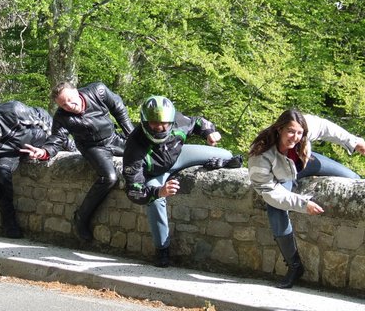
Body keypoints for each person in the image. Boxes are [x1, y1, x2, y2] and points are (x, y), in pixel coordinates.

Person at [248, 109, 365, 289]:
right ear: (280, 129)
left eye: (299, 133)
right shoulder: (261, 152)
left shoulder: (305, 127)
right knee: (275, 211)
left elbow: (327, 128)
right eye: (290, 131)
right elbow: (268, 190)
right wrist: (303, 204)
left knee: (354, 179)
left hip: (305, 163)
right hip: (282, 178)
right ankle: (294, 266)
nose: (295, 137)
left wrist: (354, 142)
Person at [123, 96, 242, 268]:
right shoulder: (134, 146)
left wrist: (209, 133)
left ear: (171, 120)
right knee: (155, 202)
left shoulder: (179, 121)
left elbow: (198, 122)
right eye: (153, 123)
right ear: (144, 121)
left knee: (228, 155)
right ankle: (162, 249)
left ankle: (215, 164)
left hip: (177, 156)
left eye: (163, 123)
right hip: (156, 173)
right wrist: (159, 192)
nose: (158, 127)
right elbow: (133, 190)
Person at [23, 81, 134, 241]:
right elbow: (57, 139)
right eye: (63, 104)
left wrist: (131, 135)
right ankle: (81, 217)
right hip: (92, 147)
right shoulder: (62, 117)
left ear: (76, 91)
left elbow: (118, 108)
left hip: (113, 138)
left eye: (69, 99)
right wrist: (44, 152)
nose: (68, 105)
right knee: (109, 177)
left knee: (143, 155)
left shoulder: (98, 91)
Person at [0, 100, 73, 238]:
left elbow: (48, 124)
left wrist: (61, 146)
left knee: (67, 147)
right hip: (9, 152)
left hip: (36, 139)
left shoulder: (13, 111)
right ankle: (9, 222)